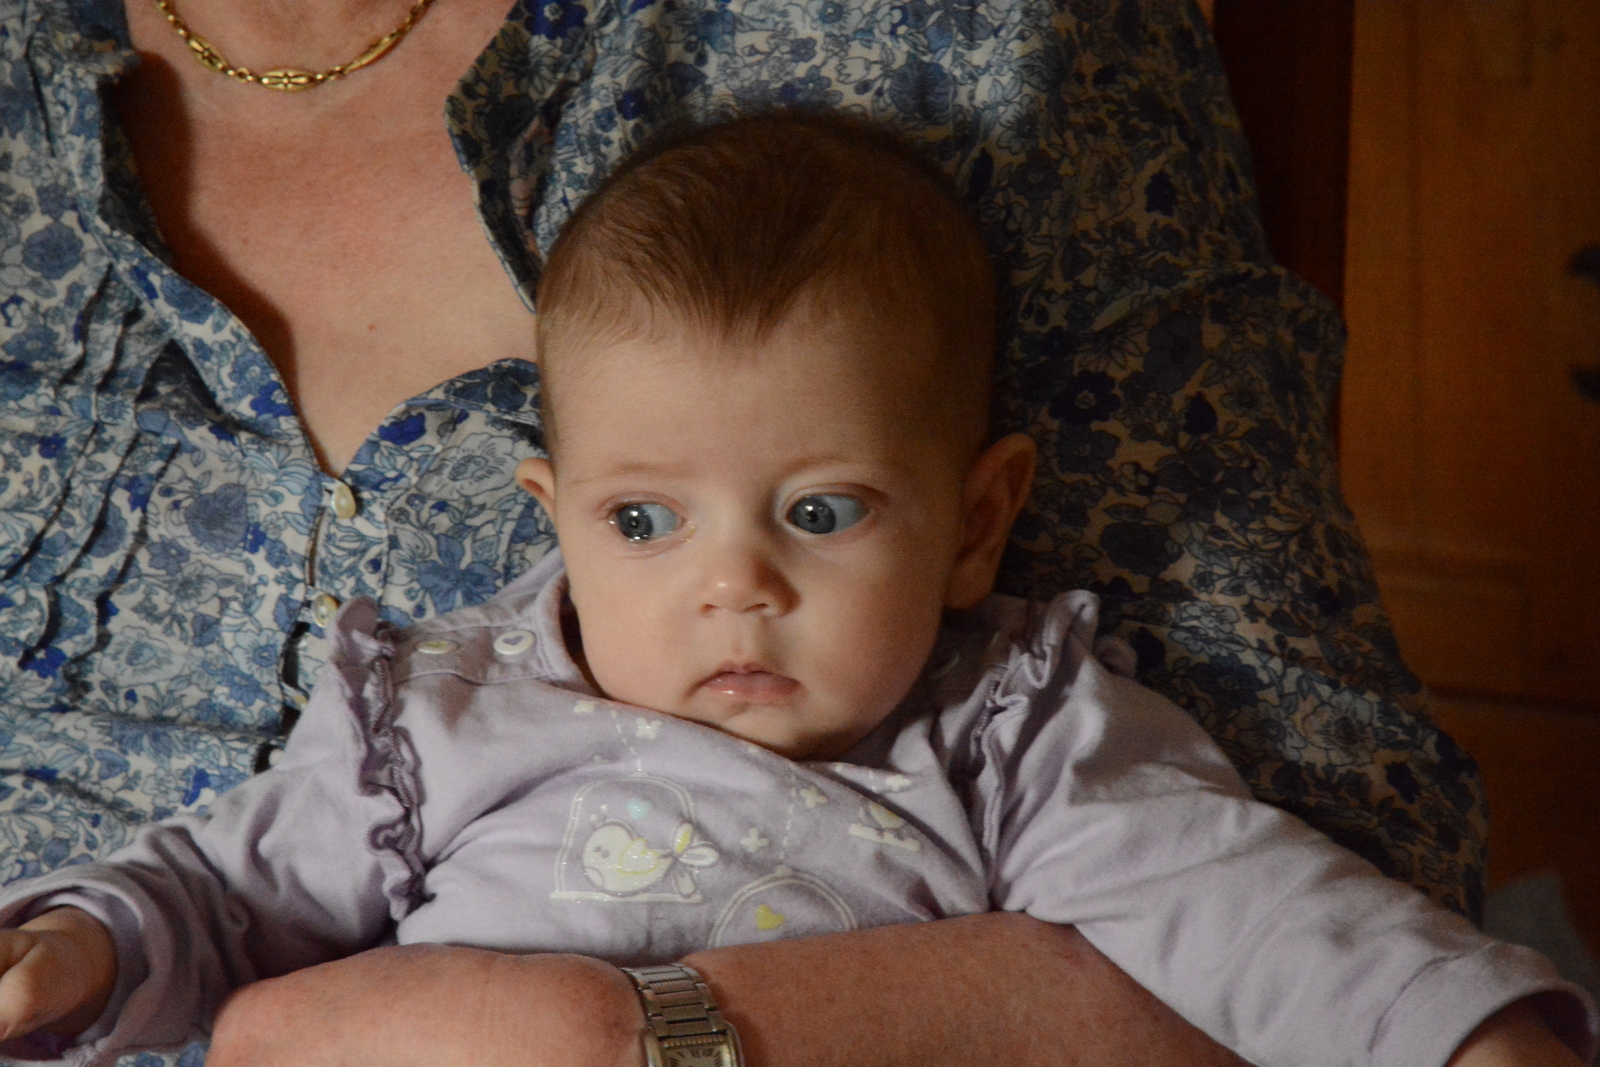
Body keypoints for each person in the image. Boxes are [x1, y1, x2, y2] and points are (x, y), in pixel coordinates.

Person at [0, 2, 1490, 1066]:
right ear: (557, 519)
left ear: (978, 523)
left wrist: (1477, 1035)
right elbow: (224, 891)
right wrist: (75, 950)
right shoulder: (440, 713)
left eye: (822, 512)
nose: (735, 586)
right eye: (644, 520)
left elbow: (1261, 913)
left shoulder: (1016, 733)